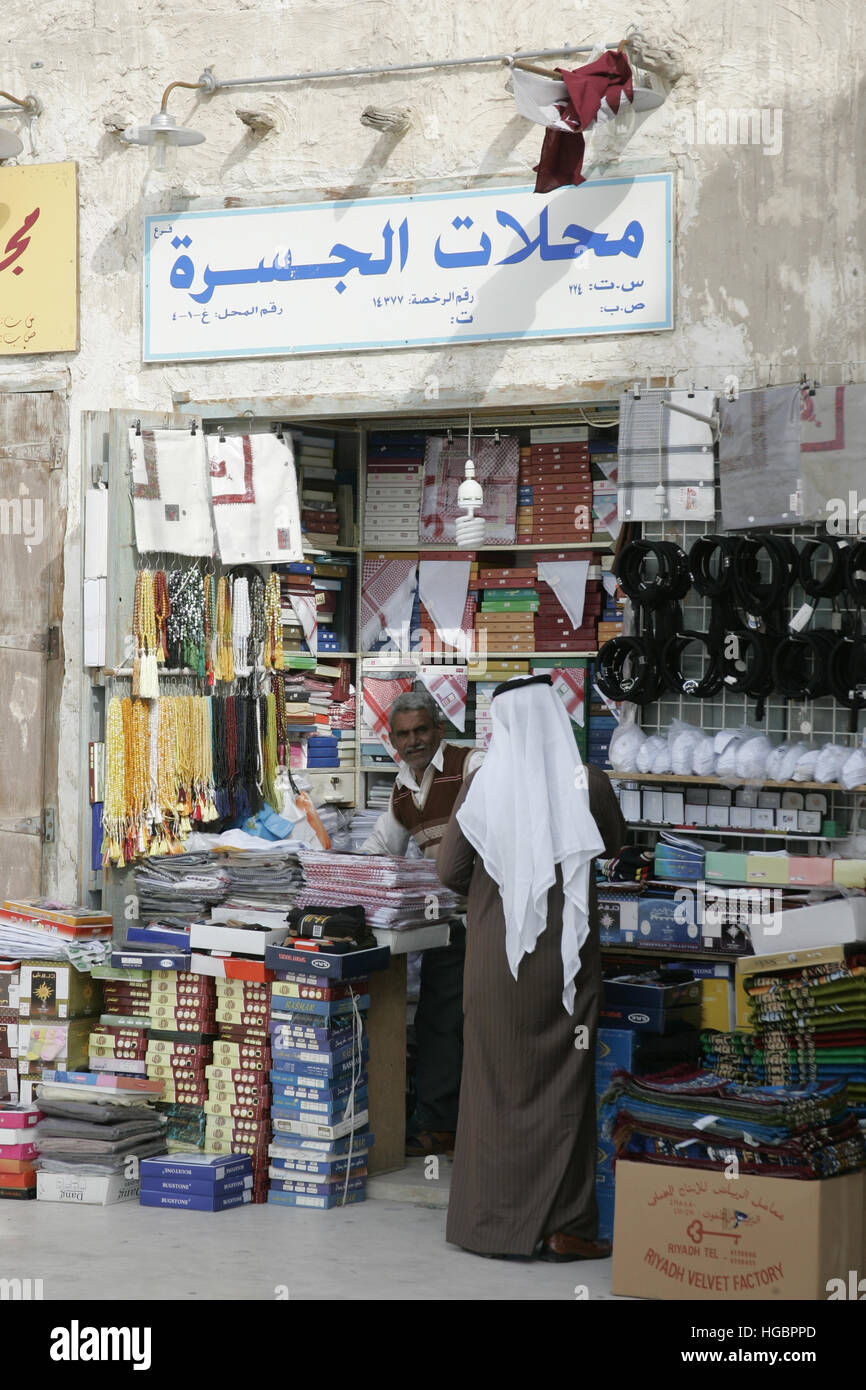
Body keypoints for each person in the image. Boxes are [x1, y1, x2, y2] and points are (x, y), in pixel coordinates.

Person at [436, 674, 626, 1261]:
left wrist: (496, 889)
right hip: (563, 965)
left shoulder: (482, 786)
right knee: (565, 1087)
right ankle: (563, 1227)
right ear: (555, 717)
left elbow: (448, 870)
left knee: (491, 1087)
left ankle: (486, 1225)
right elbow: (614, 846)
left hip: (496, 960)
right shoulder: (587, 782)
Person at [362, 689, 484, 1157]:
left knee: (473, 1021)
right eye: (404, 734)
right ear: (393, 740)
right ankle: (441, 1123)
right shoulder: (402, 789)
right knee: (439, 1019)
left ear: (439, 729)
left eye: (421, 730)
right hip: (451, 922)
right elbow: (379, 850)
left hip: (490, 915)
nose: (413, 741)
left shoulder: (472, 766)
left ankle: (458, 1123)